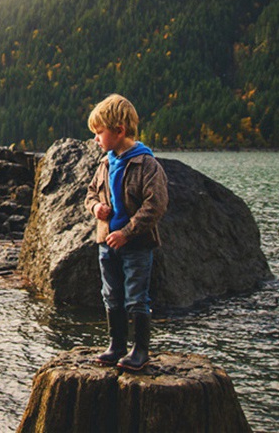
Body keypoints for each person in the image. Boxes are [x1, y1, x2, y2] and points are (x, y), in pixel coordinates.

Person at [84, 94, 168, 371]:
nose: (96, 139)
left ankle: (140, 350)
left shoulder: (147, 165)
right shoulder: (106, 163)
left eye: (99, 133)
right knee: (111, 295)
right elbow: (90, 193)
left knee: (136, 296)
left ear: (119, 131)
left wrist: (128, 232)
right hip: (106, 243)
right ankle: (116, 345)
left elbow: (155, 205)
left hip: (136, 245)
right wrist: (96, 208)